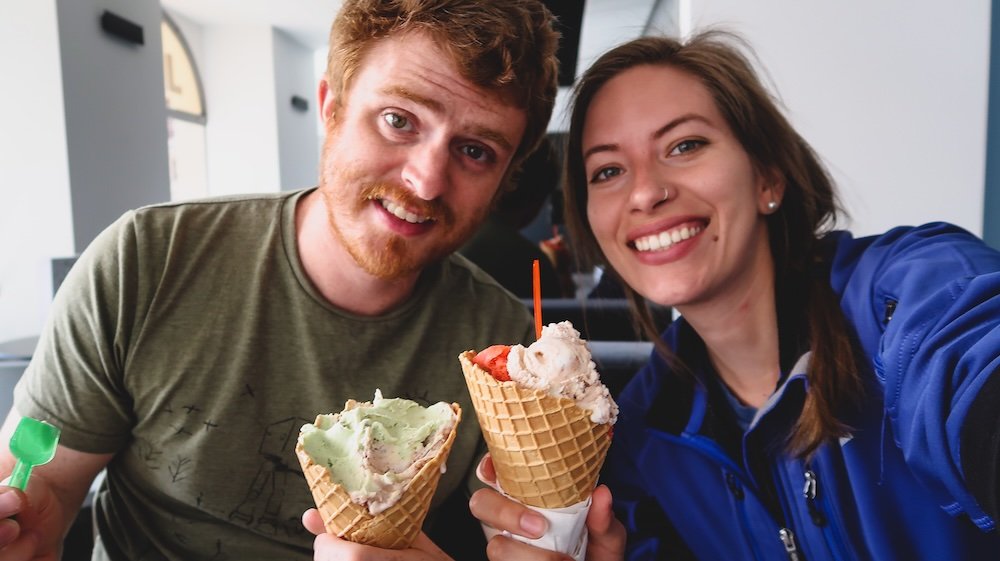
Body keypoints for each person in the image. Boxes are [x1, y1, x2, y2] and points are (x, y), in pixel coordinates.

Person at [0, 1, 559, 559]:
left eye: (475, 151)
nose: (427, 180)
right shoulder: (145, 261)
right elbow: (42, 483)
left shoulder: (508, 351)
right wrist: (25, 523)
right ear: (331, 108)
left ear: (504, 180)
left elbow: (521, 536)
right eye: (398, 119)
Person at [471, 31, 1000, 560]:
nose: (645, 192)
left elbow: (973, 362)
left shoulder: (909, 291)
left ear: (768, 175)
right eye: (608, 170)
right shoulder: (640, 437)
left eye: (685, 145)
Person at [460, 136, 565, 299]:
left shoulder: (446, 238)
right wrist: (560, 274)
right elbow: (558, 320)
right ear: (537, 200)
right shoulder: (531, 263)